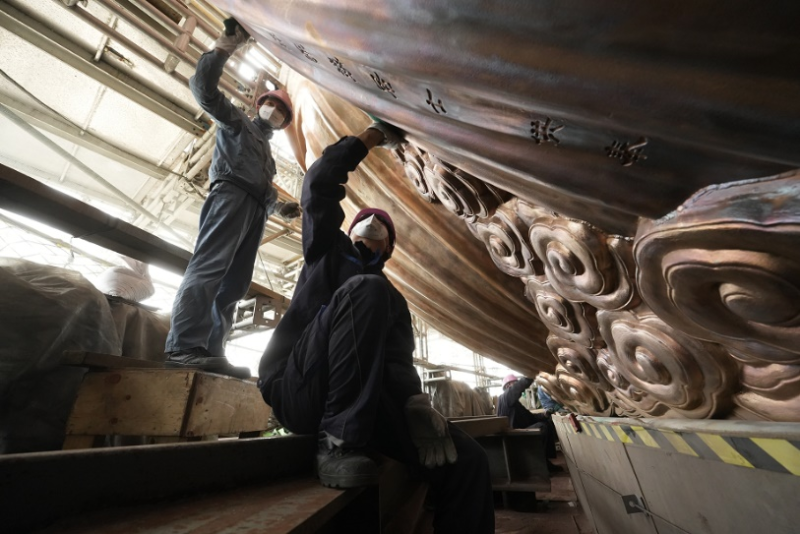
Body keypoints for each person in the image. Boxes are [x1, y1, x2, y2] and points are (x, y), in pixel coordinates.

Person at [257, 123, 495, 532]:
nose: (372, 222)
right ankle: (337, 444)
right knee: (366, 289)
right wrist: (369, 137)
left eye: (381, 225)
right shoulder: (326, 252)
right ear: (348, 231)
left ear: (389, 248)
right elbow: (318, 184)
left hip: (363, 409)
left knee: (468, 460)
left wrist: (416, 404)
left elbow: (398, 364)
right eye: (364, 219)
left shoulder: (393, 301)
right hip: (299, 388)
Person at [164, 18, 299, 377]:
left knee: (234, 285)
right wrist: (227, 45)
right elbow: (203, 89)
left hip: (255, 209)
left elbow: (262, 188)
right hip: (230, 196)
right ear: (259, 105)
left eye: (282, 111)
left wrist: (280, 207)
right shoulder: (236, 122)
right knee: (209, 268)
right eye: (272, 105)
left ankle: (211, 351)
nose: (275, 112)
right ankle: (183, 346)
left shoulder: (268, 155)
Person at [496, 374, 563, 473]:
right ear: (508, 385)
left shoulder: (515, 403)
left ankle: (545, 460)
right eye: (515, 383)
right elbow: (520, 386)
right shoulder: (505, 397)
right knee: (542, 428)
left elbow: (530, 418)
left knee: (546, 423)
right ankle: (540, 465)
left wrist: (544, 414)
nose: (520, 390)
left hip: (518, 432)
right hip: (513, 436)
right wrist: (531, 374)